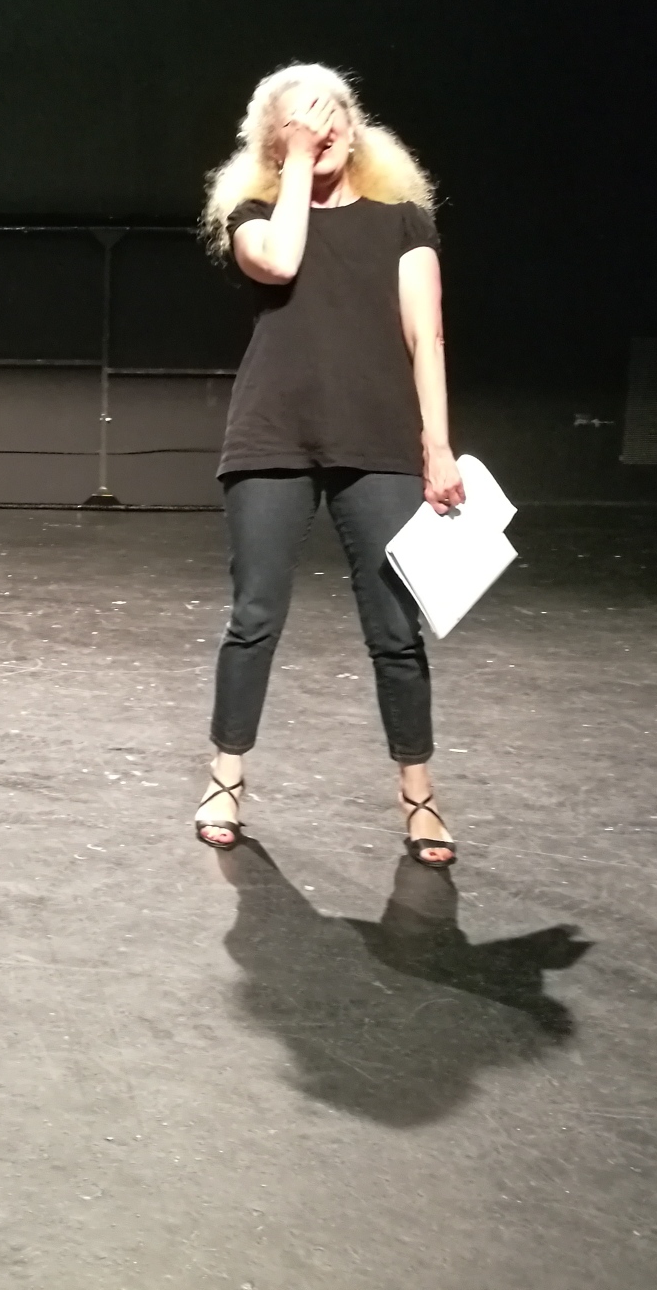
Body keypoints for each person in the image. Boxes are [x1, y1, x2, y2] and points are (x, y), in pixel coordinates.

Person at [193, 63, 463, 865]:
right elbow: (280, 263)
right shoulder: (253, 216)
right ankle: (225, 778)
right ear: (277, 141)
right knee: (255, 617)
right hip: (273, 433)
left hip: (377, 438)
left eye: (335, 111)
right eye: (305, 119)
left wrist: (437, 445)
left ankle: (419, 796)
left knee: (395, 628)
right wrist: (297, 168)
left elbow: (426, 335)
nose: (326, 126)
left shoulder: (402, 223)